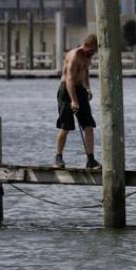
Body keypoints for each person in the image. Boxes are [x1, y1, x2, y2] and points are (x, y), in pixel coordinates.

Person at [54, 34, 100, 170]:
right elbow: (69, 79)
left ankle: (91, 160)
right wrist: (74, 100)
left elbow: (85, 72)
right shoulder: (74, 56)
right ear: (86, 46)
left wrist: (88, 88)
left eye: (95, 52)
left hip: (80, 89)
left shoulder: (87, 57)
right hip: (66, 90)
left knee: (89, 125)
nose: (93, 54)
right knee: (66, 126)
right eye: (92, 51)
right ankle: (58, 157)